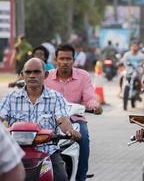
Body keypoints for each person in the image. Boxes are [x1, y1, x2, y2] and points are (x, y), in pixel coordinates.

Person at [0, 58, 81, 181]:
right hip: (16, 153)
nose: (32, 76)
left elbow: (63, 120)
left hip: (48, 151)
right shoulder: (10, 97)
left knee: (61, 177)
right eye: (28, 72)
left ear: (46, 75)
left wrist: (70, 131)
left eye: (37, 72)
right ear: (22, 75)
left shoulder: (55, 97)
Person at [44, 44, 102, 181]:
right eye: (62, 58)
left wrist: (94, 106)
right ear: (55, 60)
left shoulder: (83, 76)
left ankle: (81, 177)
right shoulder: (46, 76)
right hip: (51, 120)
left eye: (68, 58)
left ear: (73, 60)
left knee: (84, 138)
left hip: (76, 118)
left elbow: (89, 98)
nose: (65, 62)